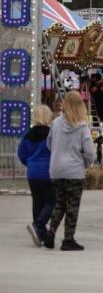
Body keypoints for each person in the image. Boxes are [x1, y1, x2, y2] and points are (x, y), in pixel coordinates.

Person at [45, 91, 95, 250]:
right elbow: (89, 151)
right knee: (72, 205)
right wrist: (87, 164)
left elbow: (49, 144)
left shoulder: (56, 123)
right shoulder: (82, 126)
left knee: (60, 203)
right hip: (74, 170)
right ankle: (68, 239)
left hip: (56, 169)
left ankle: (51, 232)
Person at [18, 105, 55, 246]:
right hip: (47, 172)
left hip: (32, 172)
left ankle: (40, 234)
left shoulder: (28, 134)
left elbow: (21, 154)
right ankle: (38, 226)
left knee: (37, 202)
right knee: (52, 201)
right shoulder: (51, 134)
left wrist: (30, 163)